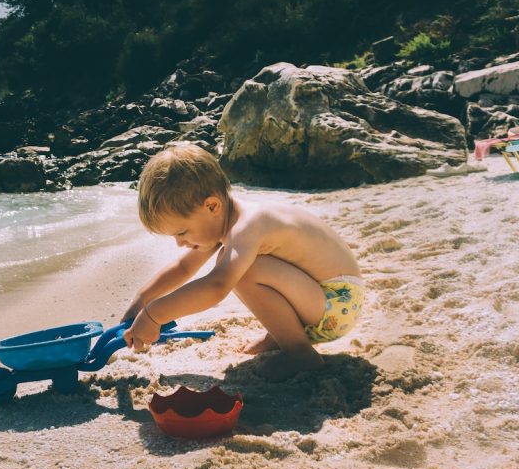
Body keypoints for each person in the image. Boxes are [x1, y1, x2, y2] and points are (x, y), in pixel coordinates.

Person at [121, 144, 363, 381]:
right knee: (238, 263)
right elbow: (184, 268)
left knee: (243, 270)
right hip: (321, 301)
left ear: (212, 206)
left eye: (182, 232)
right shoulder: (222, 222)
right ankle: (282, 336)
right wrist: (142, 300)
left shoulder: (248, 226)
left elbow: (217, 286)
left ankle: (300, 353)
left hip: (337, 302)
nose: (179, 243)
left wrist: (155, 315)